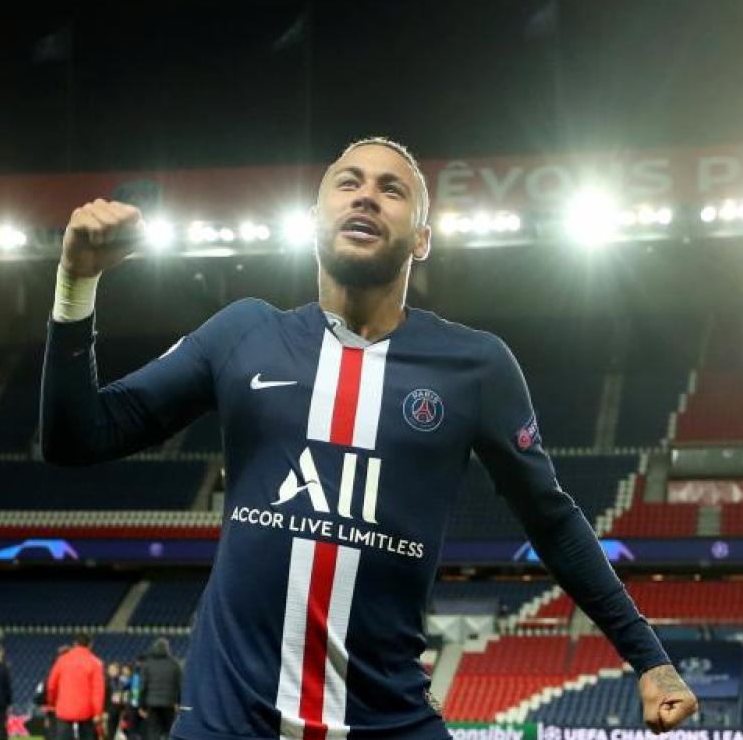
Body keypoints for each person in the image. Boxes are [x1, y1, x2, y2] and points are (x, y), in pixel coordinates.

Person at [39, 137, 698, 740]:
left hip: (389, 723)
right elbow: (77, 439)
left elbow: (552, 520)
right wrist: (77, 284)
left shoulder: (475, 367)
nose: (366, 194)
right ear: (317, 216)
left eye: (392, 188)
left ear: (422, 239)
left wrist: (651, 659)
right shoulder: (244, 333)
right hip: (227, 724)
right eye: (348, 182)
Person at [46, 634, 104, 740]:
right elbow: (98, 691)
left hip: (64, 708)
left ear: (75, 644)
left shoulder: (62, 660)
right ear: (90, 645)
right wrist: (97, 713)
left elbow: (51, 685)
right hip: (86, 711)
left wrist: (52, 703)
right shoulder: (95, 663)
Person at [137, 640, 181, 740]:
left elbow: (142, 686)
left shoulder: (147, 664)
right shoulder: (174, 664)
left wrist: (141, 705)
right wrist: (179, 702)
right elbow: (179, 685)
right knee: (169, 731)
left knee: (152, 732)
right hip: (169, 703)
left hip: (152, 704)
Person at [103, 663, 122, 740]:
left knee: (114, 731)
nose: (113, 671)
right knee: (108, 732)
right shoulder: (105, 682)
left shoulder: (120, 682)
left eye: (115, 669)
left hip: (117, 710)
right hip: (108, 710)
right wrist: (104, 711)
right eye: (111, 669)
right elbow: (103, 698)